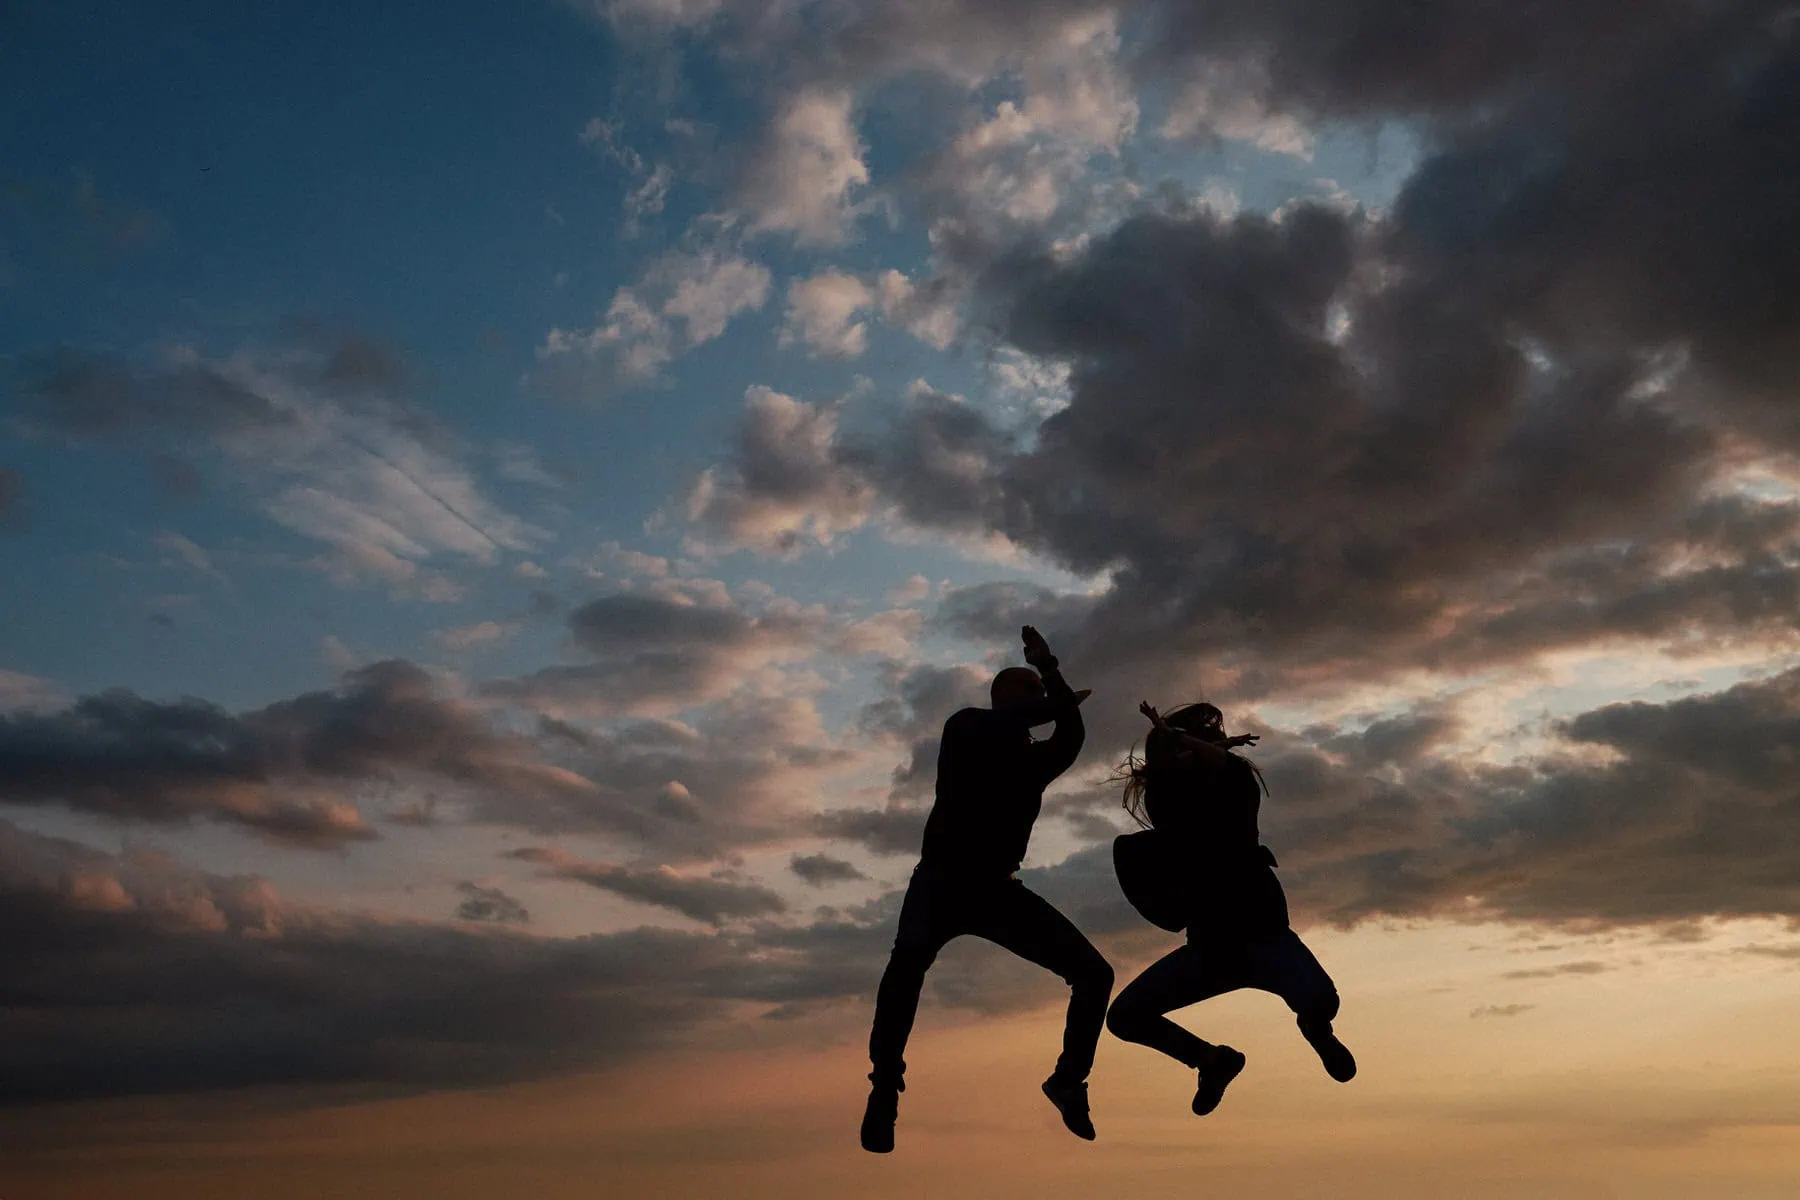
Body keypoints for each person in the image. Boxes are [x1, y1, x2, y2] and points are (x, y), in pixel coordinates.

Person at [861, 626, 1112, 1154]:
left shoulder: (1034, 761)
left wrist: (1049, 669)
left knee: (1094, 974)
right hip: (940, 882)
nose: (1035, 697)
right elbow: (1047, 714)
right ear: (1000, 697)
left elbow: (1069, 735)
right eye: (1026, 689)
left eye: (1036, 691)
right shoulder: (967, 727)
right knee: (905, 969)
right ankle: (884, 1087)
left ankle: (1068, 1081)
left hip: (997, 890)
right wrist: (1055, 691)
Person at [1104, 701, 1355, 1118]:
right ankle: (1211, 1060)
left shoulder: (1237, 782)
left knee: (1322, 1002)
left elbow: (1223, 764)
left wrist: (1176, 738)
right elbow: (1167, 787)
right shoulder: (1169, 801)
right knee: (1125, 1018)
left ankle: (1316, 1028)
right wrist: (1172, 747)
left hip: (1265, 937)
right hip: (1210, 950)